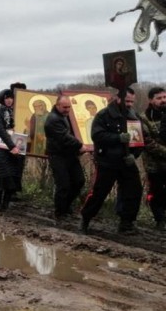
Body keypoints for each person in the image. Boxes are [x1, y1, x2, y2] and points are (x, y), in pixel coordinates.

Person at [80, 88, 143, 235]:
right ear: (117, 98)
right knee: (99, 192)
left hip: (127, 162)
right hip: (107, 161)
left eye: (132, 102)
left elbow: (140, 140)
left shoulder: (134, 116)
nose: (129, 104)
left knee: (133, 191)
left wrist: (134, 156)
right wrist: (118, 138)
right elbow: (97, 135)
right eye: (127, 101)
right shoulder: (103, 115)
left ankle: (126, 223)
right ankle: (85, 219)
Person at [44, 96, 86, 220]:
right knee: (63, 184)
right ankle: (60, 212)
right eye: (65, 107)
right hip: (57, 156)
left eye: (69, 107)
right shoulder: (53, 119)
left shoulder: (64, 116)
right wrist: (80, 145)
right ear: (57, 105)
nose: (67, 109)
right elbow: (64, 137)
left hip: (70, 155)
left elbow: (72, 133)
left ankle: (66, 206)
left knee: (79, 181)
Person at [139, 87, 166, 230]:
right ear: (151, 100)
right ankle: (160, 220)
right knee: (157, 192)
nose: (163, 101)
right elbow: (147, 142)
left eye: (164, 97)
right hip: (154, 164)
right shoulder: (144, 118)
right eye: (159, 98)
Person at [0, 88, 22, 211]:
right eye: (6, 98)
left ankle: (6, 202)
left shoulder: (16, 112)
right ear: (2, 99)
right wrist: (12, 146)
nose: (9, 100)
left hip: (15, 146)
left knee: (14, 173)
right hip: (1, 146)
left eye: (11, 98)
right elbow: (1, 131)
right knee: (5, 174)